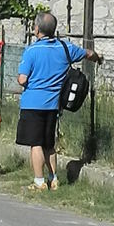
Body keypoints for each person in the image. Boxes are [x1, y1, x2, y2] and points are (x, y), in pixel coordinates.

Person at [16, 11, 103, 191]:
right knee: (49, 144)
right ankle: (53, 178)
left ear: (37, 29)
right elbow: (87, 53)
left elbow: (22, 79)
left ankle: (39, 182)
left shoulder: (31, 51)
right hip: (53, 105)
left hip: (33, 104)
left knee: (36, 144)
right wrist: (97, 58)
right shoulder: (65, 48)